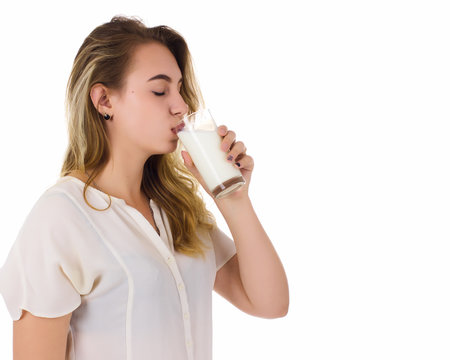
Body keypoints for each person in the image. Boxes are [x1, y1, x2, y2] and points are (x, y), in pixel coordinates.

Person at [0, 15, 289, 360]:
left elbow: (270, 303)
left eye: (179, 88)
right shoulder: (60, 218)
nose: (180, 105)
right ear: (104, 100)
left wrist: (234, 198)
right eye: (159, 89)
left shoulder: (177, 210)